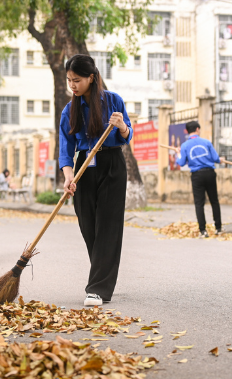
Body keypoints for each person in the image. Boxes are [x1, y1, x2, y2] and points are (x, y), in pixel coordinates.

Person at [59, 54, 132, 307]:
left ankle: (97, 288)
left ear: (92, 77)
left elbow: (127, 135)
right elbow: (65, 150)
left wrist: (121, 125)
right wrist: (69, 177)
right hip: (83, 169)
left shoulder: (113, 101)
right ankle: (104, 272)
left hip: (112, 164)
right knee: (88, 224)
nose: (73, 85)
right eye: (69, 80)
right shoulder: (70, 110)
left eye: (77, 80)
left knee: (108, 226)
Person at [171, 120, 223, 238]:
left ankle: (203, 231)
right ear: (197, 129)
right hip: (210, 173)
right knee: (214, 200)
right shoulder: (206, 142)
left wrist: (178, 153)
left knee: (199, 203)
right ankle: (218, 228)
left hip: (197, 176)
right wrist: (220, 159)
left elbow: (181, 162)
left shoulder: (184, 146)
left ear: (187, 131)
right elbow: (215, 158)